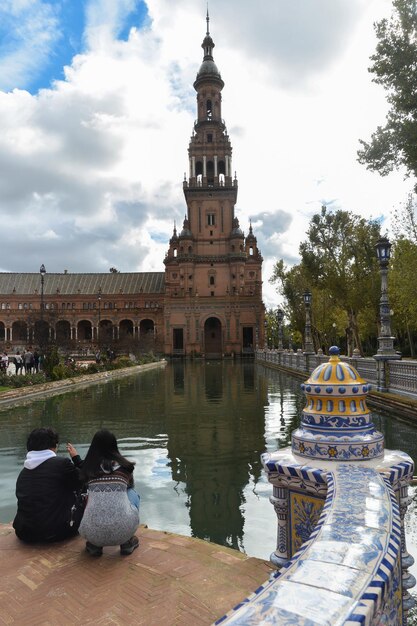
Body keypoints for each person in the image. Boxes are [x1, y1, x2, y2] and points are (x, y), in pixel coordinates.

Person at [13, 428, 83, 543]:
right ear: (53, 446)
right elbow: (85, 480)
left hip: (24, 533)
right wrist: (76, 459)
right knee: (82, 492)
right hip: (55, 532)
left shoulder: (24, 471)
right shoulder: (62, 464)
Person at [79, 430, 140, 556]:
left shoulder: (88, 468)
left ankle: (94, 545)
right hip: (124, 531)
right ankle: (127, 542)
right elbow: (129, 486)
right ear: (114, 445)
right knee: (132, 493)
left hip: (92, 533)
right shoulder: (125, 467)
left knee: (90, 496)